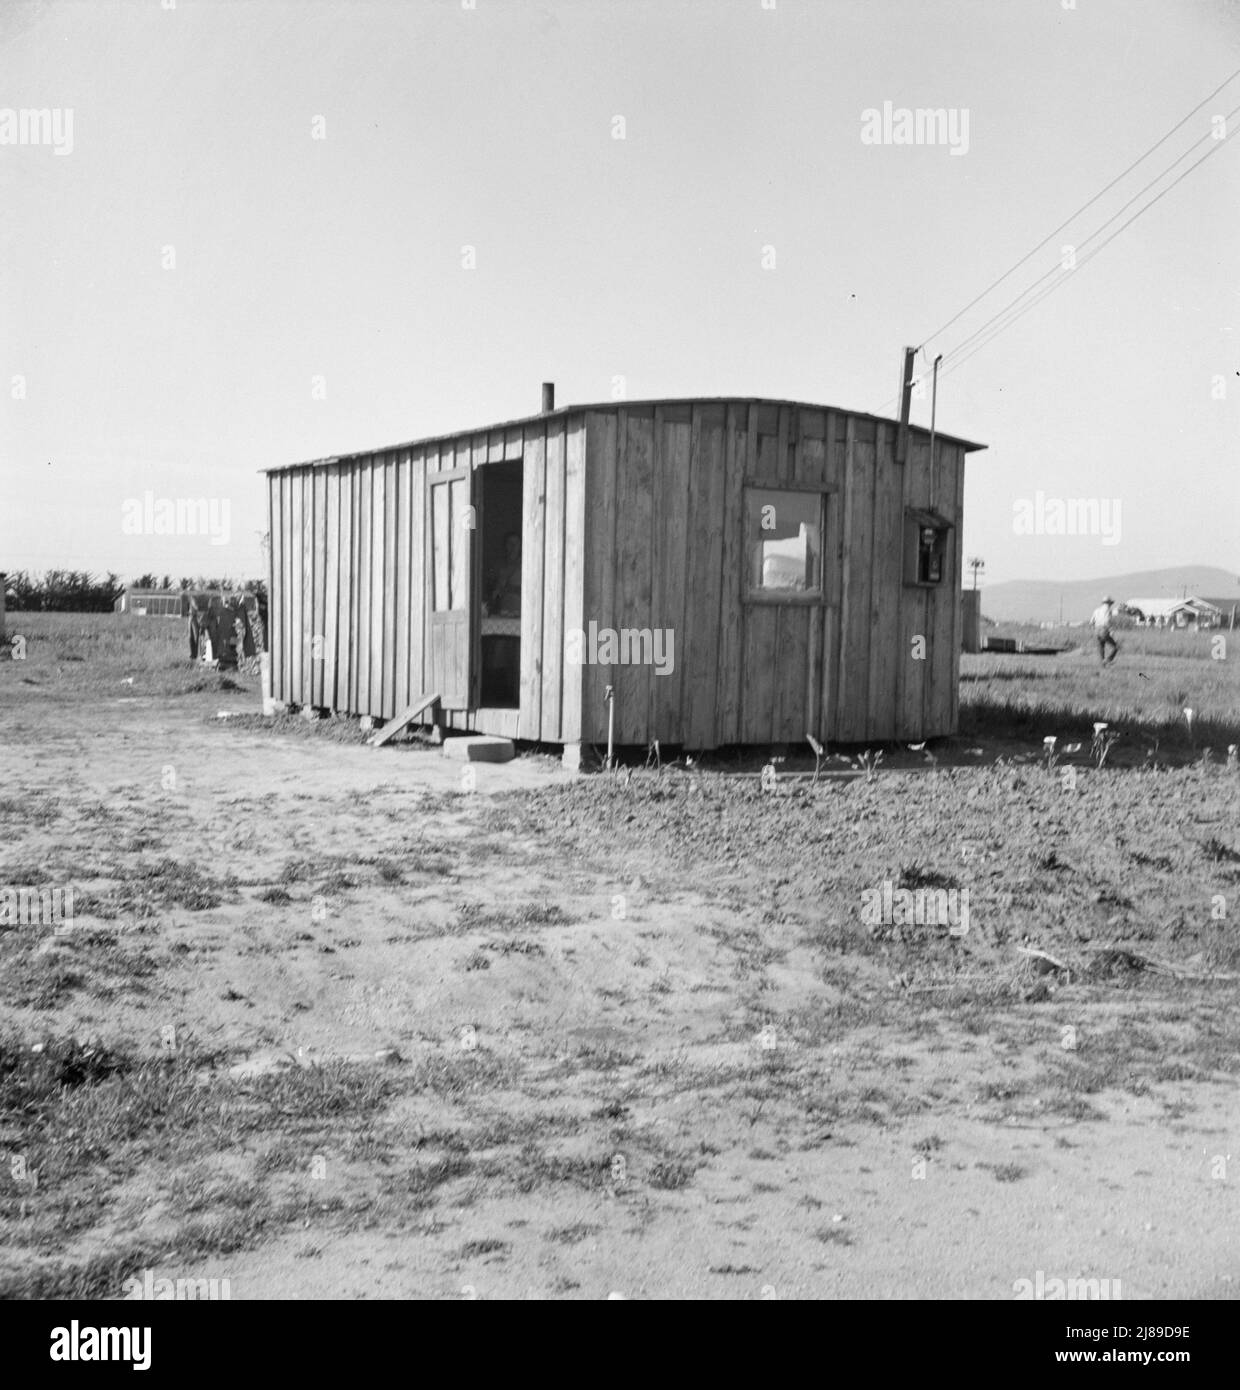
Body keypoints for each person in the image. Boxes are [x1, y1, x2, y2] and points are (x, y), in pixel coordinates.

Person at [1090, 595, 1119, 666]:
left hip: (1096, 630)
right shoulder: (1108, 611)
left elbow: (1091, 622)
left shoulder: (1096, 610)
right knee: (1115, 647)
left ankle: (1102, 665)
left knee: (1101, 649)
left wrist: (1095, 630)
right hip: (1104, 630)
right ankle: (1108, 660)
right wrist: (1111, 630)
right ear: (1109, 603)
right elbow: (1107, 621)